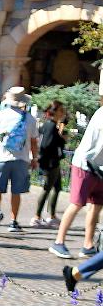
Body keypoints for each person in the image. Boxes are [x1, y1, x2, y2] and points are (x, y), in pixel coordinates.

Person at [49, 104, 103, 259]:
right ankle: (58, 242)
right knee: (77, 203)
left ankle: (88, 245)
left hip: (99, 167)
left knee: (97, 205)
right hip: (85, 164)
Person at [0, 86, 39, 233]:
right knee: (16, 191)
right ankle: (13, 222)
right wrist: (34, 158)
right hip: (21, 159)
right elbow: (34, 142)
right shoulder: (30, 119)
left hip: (0, 158)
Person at [33, 101, 66, 227]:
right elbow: (46, 145)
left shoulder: (50, 125)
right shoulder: (50, 126)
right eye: (61, 110)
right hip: (50, 163)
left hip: (53, 162)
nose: (63, 113)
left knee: (57, 188)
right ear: (54, 112)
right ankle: (37, 217)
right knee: (47, 188)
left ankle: (52, 216)